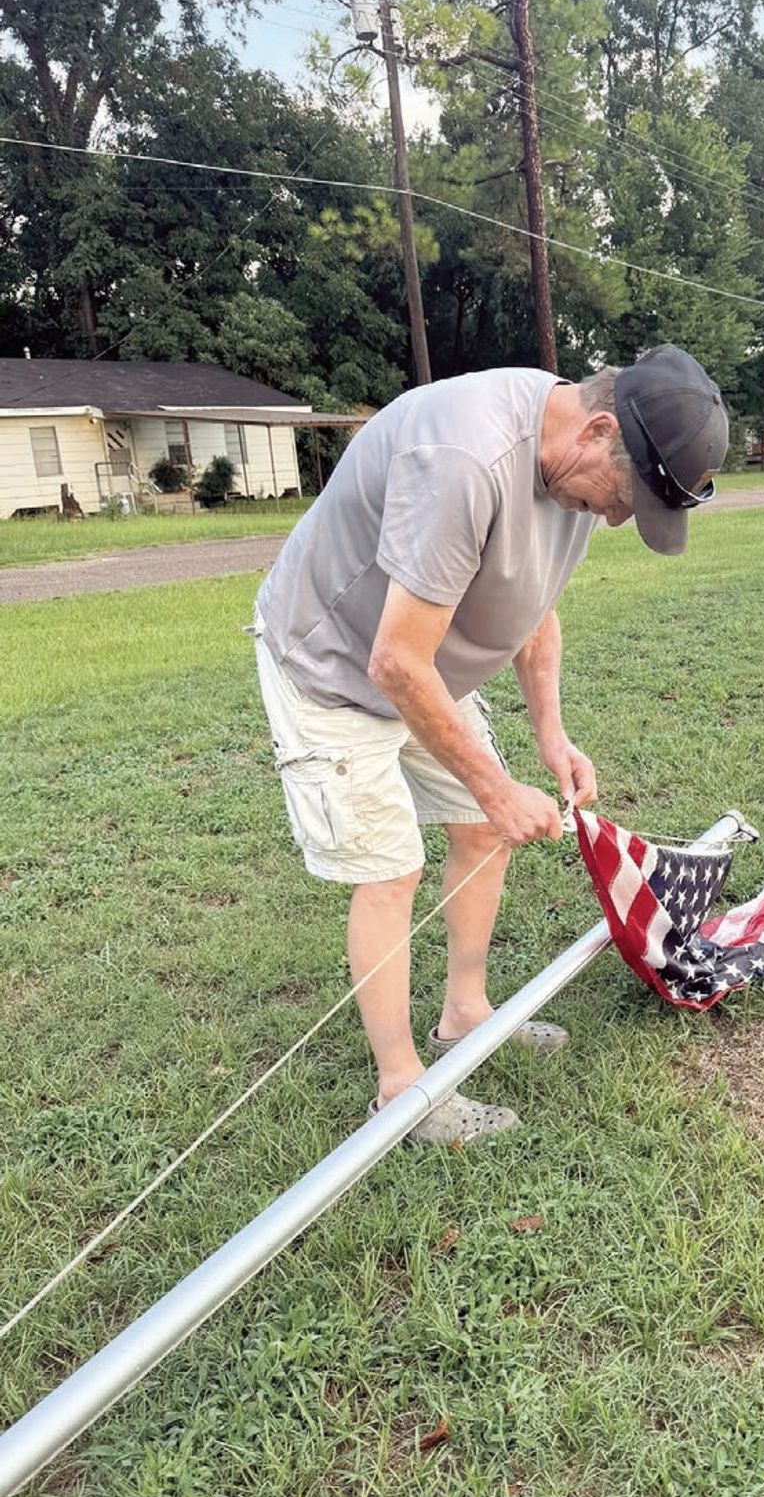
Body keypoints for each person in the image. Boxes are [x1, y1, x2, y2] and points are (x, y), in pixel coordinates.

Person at [253, 344, 728, 1142]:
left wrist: (551, 736)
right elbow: (393, 662)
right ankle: (402, 1092)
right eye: (621, 498)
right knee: (390, 868)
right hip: (332, 664)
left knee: (480, 831)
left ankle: (465, 1015)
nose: (615, 517)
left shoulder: (567, 472)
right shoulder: (467, 459)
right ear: (597, 430)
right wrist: (497, 788)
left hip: (419, 664)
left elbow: (532, 609)